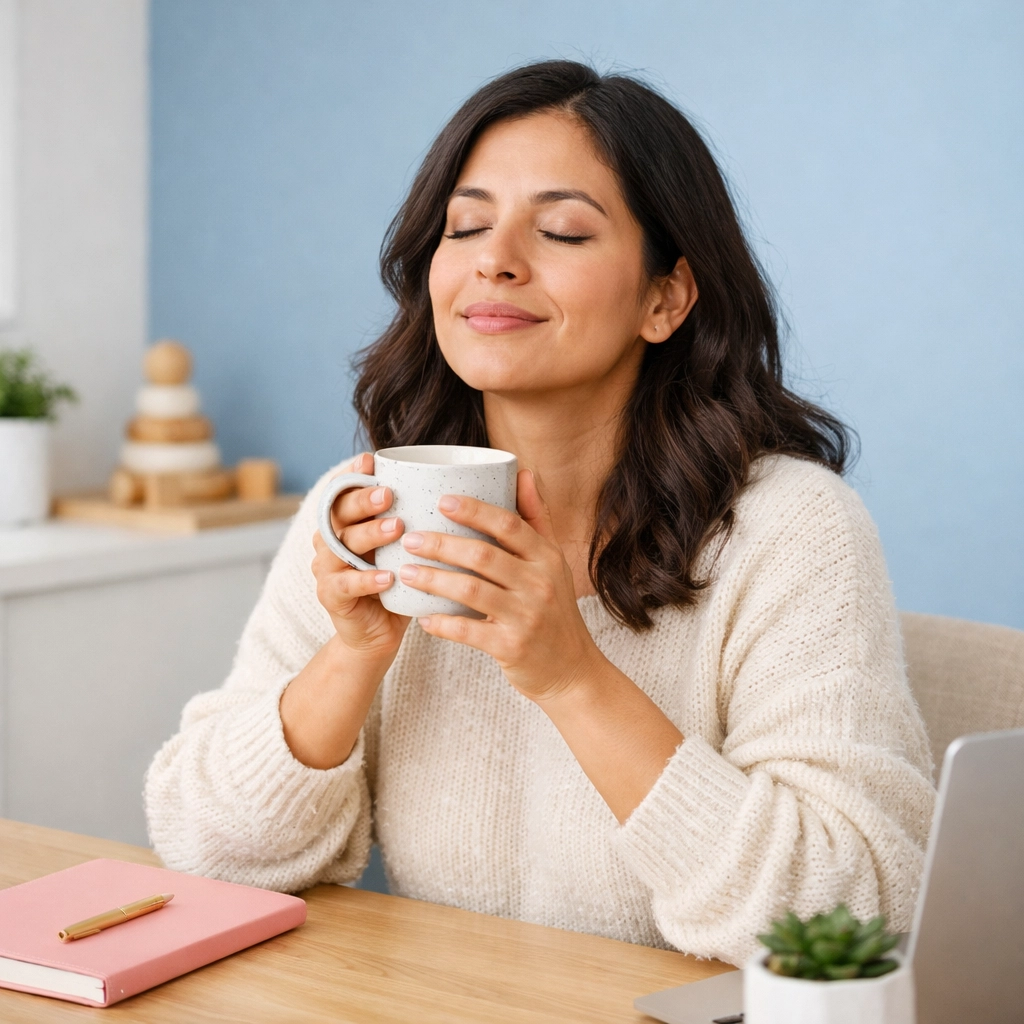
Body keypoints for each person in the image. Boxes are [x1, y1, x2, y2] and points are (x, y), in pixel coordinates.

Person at [145, 60, 934, 966]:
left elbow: (854, 912)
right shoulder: (357, 508)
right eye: (467, 225)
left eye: (560, 230)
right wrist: (352, 654)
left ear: (665, 297)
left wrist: (570, 676)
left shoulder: (792, 532)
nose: (495, 257)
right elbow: (208, 847)